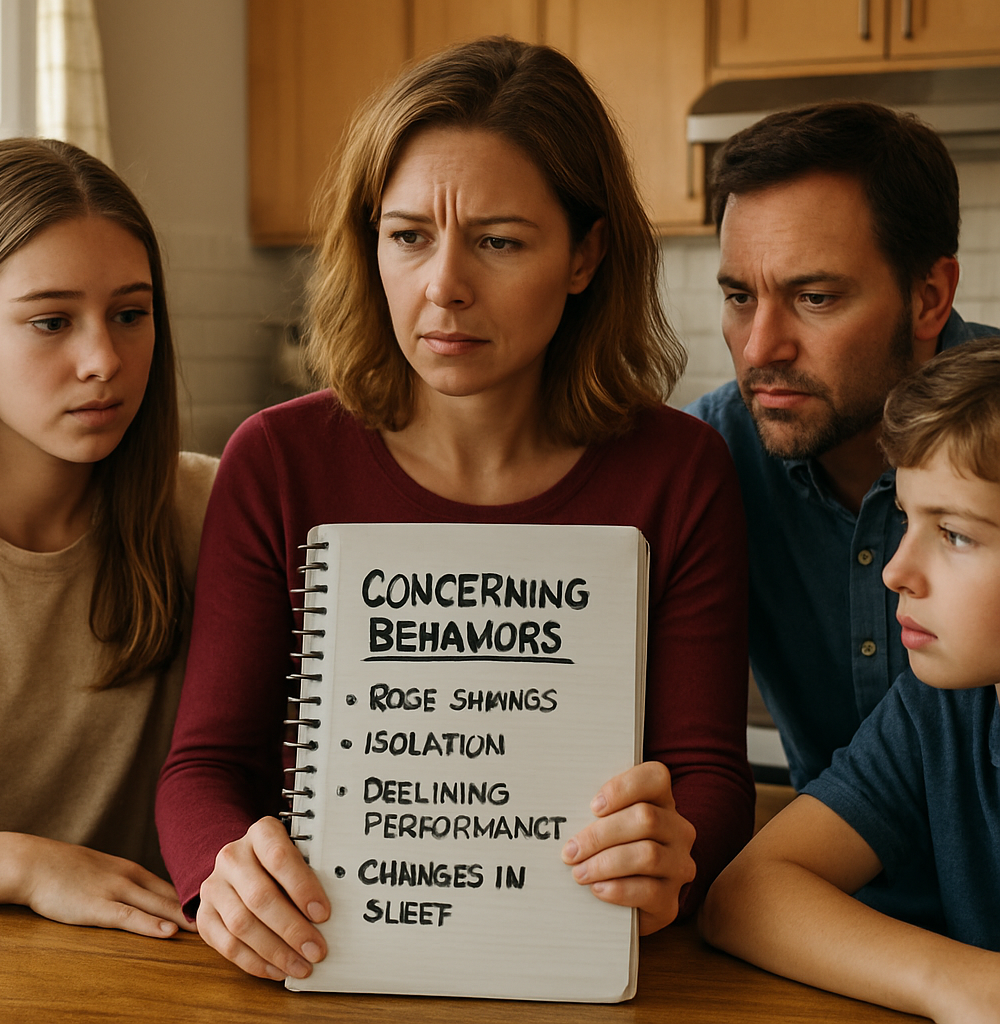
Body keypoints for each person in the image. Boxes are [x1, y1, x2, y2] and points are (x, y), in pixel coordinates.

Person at [157, 36, 754, 982]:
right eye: (408, 236)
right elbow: (203, 769)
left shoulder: (680, 472)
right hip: (323, 960)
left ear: (585, 254)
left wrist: (672, 856)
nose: (444, 286)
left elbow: (710, 775)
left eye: (499, 241)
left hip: (584, 960)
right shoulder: (274, 462)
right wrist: (219, 875)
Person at [686, 101, 999, 792]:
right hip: (817, 876)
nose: (760, 348)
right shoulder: (707, 460)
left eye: (816, 298)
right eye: (740, 297)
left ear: (928, 297)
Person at [699, 338, 1000, 1024]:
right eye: (906, 518)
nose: (896, 570)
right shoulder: (940, 710)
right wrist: (964, 984)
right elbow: (745, 895)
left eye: (954, 534)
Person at [0, 138, 217, 938]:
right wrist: (25, 865)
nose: (103, 360)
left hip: (158, 979)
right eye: (51, 321)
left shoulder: (207, 509)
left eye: (130, 314)